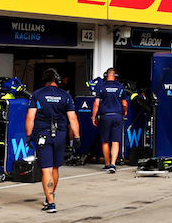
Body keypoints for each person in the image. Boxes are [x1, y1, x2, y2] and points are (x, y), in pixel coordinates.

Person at [26, 68, 80, 213]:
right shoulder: (65, 95)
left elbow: (30, 117)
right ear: (57, 80)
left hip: (43, 134)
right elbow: (73, 118)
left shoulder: (37, 94)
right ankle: (50, 197)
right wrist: (76, 136)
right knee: (55, 167)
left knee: (46, 169)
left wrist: (29, 135)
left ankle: (50, 203)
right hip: (60, 135)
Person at [91, 68, 127, 174]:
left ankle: (107, 164)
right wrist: (124, 112)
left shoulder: (101, 86)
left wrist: (93, 116)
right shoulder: (120, 86)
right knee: (115, 141)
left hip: (105, 116)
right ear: (114, 75)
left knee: (105, 141)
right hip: (117, 116)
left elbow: (96, 104)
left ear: (106, 75)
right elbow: (124, 103)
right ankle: (113, 164)